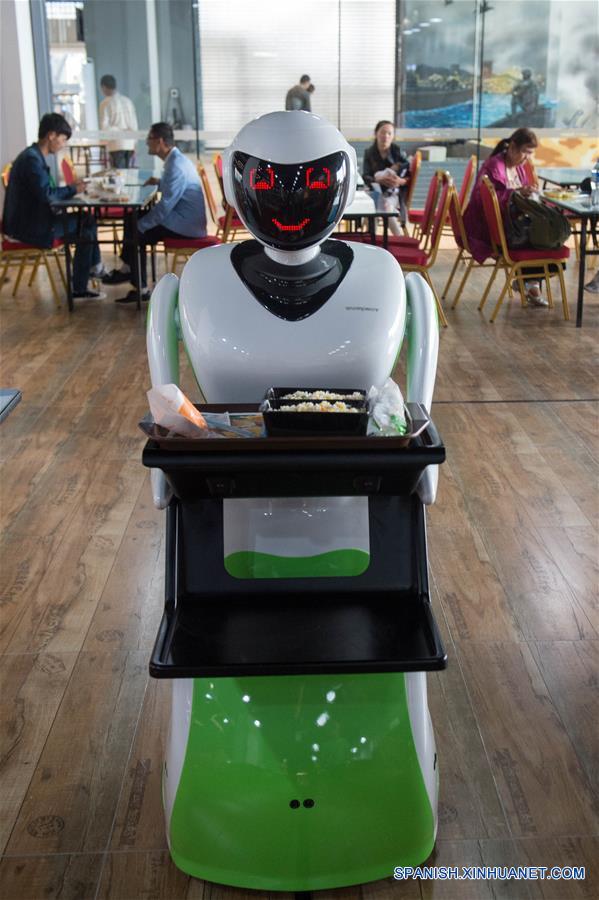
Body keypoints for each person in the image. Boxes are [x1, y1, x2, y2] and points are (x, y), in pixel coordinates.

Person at [2, 112, 105, 300]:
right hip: (30, 228)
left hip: (30, 221)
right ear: (51, 135)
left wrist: (71, 189)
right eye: (63, 139)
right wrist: (73, 189)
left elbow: (44, 193)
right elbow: (47, 195)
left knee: (86, 220)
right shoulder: (32, 160)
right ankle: (83, 282)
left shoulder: (32, 156)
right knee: (85, 227)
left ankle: (92, 270)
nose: (63, 144)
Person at [103, 122, 207, 303]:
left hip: (186, 226)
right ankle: (128, 269)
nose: (146, 142)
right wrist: (159, 182)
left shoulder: (175, 165)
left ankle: (139, 286)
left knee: (137, 230)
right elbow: (174, 189)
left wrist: (141, 226)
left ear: (160, 141)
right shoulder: (175, 160)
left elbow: (164, 207)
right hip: (183, 219)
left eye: (149, 138)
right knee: (132, 218)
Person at [463, 127, 549, 306]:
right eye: (525, 152)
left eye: (530, 154)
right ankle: (530, 283)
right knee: (542, 239)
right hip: (489, 229)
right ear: (512, 147)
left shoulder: (519, 168)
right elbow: (484, 199)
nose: (527, 158)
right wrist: (517, 193)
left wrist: (527, 192)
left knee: (544, 234)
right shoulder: (494, 167)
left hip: (507, 225)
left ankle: (528, 282)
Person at [362, 120, 410, 236]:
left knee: (384, 205)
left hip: (393, 193)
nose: (386, 136)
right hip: (374, 191)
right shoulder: (369, 152)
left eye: (389, 133)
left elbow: (408, 176)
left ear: (393, 136)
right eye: (383, 132)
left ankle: (395, 238)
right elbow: (365, 176)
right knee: (374, 205)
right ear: (376, 133)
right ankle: (374, 238)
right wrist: (377, 180)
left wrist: (399, 181)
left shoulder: (397, 151)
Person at [99, 74, 138, 169]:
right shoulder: (127, 101)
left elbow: (104, 127)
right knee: (129, 173)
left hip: (115, 144)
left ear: (104, 87)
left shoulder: (105, 103)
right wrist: (134, 142)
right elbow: (134, 124)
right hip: (129, 143)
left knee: (118, 173)